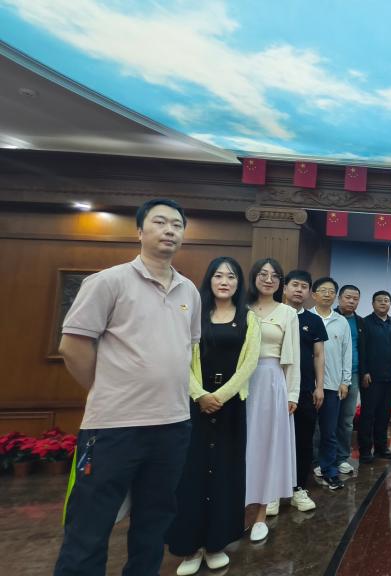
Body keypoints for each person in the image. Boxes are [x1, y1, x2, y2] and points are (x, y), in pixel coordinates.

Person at [54, 198, 201, 575]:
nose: (170, 230)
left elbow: (186, 351)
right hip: (114, 427)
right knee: (90, 526)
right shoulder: (108, 281)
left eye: (177, 225)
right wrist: (105, 388)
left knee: (154, 524)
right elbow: (72, 346)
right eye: (160, 222)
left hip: (172, 425)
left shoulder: (189, 291)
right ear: (139, 231)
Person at [167, 256, 261, 575]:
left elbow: (249, 363)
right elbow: (180, 357)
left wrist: (219, 396)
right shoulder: (195, 314)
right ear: (209, 279)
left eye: (231, 276)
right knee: (190, 474)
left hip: (231, 406)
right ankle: (190, 548)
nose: (224, 281)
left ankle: (216, 544)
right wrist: (200, 395)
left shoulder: (249, 318)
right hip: (194, 406)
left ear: (239, 283)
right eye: (218, 275)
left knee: (225, 472)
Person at [245, 258, 300, 542]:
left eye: (275, 276)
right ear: (253, 276)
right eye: (263, 274)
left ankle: (260, 514)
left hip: (271, 381)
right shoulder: (240, 308)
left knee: (267, 446)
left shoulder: (287, 313)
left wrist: (292, 394)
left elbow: (293, 359)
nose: (268, 279)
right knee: (241, 445)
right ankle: (239, 508)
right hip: (239, 382)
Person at [283, 270, 328, 512]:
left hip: (305, 389)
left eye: (304, 286)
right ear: (285, 288)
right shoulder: (272, 315)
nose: (299, 290)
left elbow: (319, 355)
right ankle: (271, 492)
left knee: (303, 440)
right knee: (274, 440)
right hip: (275, 387)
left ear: (309, 292)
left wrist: (319, 386)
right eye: (295, 285)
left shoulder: (314, 321)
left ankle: (299, 488)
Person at [310, 277, 352, 490]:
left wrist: (345, 381)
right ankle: (303, 470)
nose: (327, 294)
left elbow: (347, 353)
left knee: (329, 431)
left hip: (332, 385)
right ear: (313, 294)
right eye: (322, 290)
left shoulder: (341, 322)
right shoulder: (304, 318)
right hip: (306, 384)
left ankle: (330, 470)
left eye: (331, 291)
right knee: (305, 430)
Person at [360, 290, 391, 463]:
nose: (383, 303)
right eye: (379, 300)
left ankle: (381, 448)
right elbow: (361, 350)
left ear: (390, 304)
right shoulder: (365, 323)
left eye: (386, 300)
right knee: (368, 415)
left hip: (389, 378)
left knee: (384, 415)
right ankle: (365, 452)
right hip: (371, 379)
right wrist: (364, 372)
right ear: (373, 303)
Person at [334, 285, 365, 474]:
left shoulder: (360, 322)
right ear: (339, 298)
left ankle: (342, 457)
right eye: (348, 297)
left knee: (346, 420)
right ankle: (320, 457)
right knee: (326, 419)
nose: (352, 301)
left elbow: (364, 349)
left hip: (353, 374)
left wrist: (364, 372)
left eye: (355, 298)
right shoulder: (330, 317)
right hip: (330, 374)